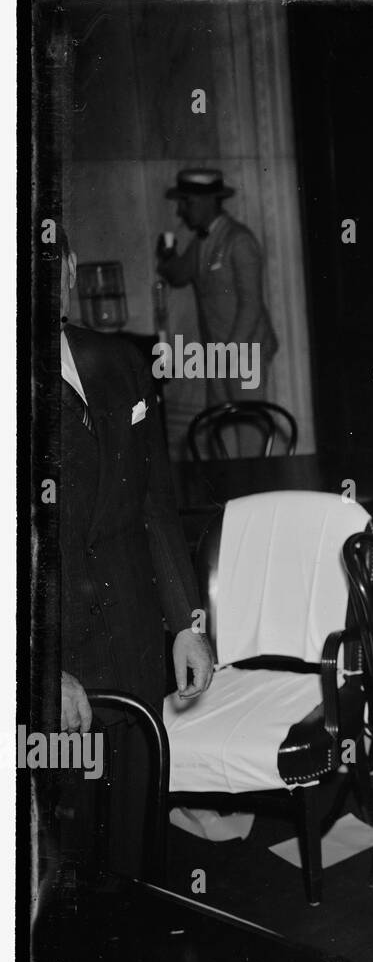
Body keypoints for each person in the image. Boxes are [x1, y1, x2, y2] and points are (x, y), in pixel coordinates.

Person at [54, 226, 215, 876]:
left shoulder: (119, 360)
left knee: (135, 848)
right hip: (56, 675)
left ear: (67, 267)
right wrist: (37, 671)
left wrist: (186, 624)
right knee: (62, 860)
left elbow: (156, 505)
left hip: (135, 648)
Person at [156, 167, 279, 411]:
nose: (180, 211)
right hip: (219, 353)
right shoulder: (203, 241)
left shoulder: (238, 240)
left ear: (208, 201)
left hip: (244, 353)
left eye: (186, 203)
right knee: (222, 427)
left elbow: (251, 305)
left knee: (249, 426)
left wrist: (231, 354)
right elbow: (179, 275)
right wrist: (167, 258)